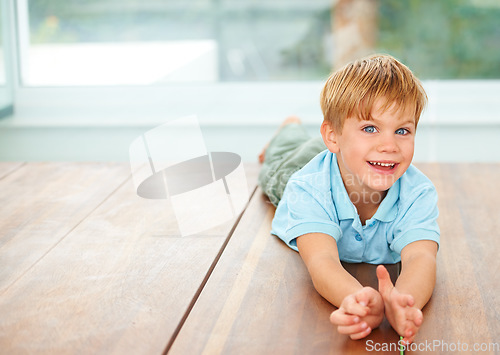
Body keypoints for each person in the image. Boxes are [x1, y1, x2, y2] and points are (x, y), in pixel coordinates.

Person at [258, 54, 439, 345]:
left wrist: (403, 302)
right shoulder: (306, 187)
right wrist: (355, 299)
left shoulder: (418, 193)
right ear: (333, 136)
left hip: (348, 154)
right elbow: (322, 259)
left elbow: (421, 257)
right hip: (296, 167)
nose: (389, 146)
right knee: (281, 156)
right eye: (370, 128)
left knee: (346, 149)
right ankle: (289, 127)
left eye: (402, 130)